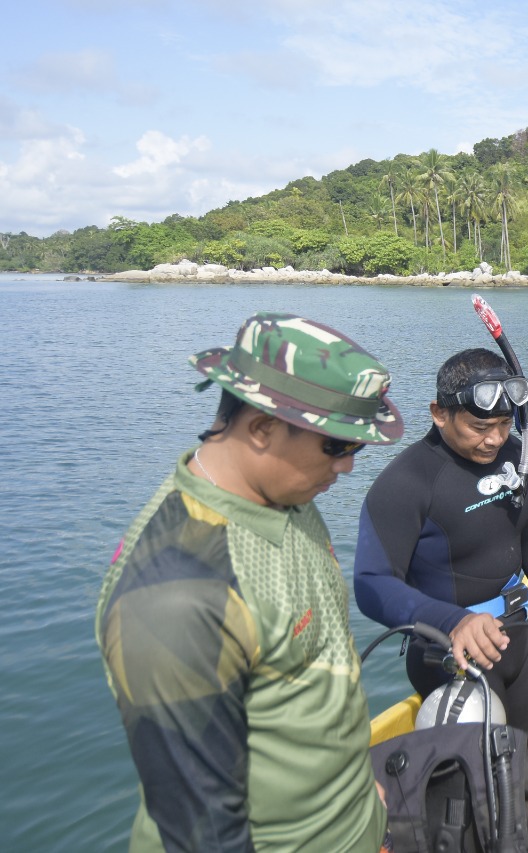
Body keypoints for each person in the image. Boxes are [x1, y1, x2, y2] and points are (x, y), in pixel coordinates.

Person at [96, 311, 401, 851]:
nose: (349, 467)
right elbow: (201, 831)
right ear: (261, 428)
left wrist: (358, 792)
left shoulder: (287, 495)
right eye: (337, 446)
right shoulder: (178, 596)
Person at [354, 348, 528, 766]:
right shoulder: (406, 482)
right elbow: (371, 583)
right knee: (477, 794)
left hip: (518, 640)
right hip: (452, 654)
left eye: (504, 423)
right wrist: (453, 622)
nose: (493, 438)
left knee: (525, 774)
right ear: (440, 414)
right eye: (479, 426)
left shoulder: (513, 455)